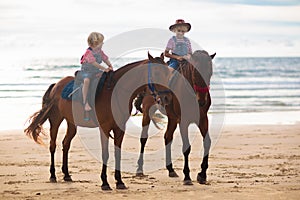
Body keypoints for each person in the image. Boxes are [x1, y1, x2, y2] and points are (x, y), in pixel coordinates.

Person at [80, 32, 113, 112]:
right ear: (95, 43)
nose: (103, 44)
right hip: (87, 71)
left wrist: (110, 65)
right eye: (101, 42)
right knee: (87, 81)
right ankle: (85, 102)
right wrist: (104, 69)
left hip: (95, 71)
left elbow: (105, 58)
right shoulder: (88, 53)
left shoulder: (99, 51)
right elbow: (94, 63)